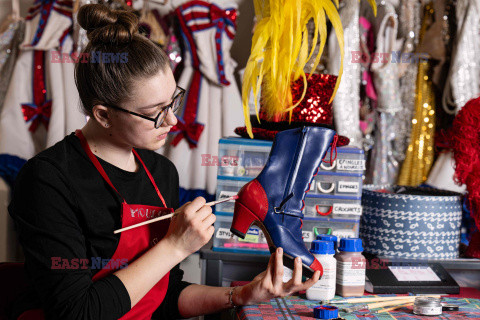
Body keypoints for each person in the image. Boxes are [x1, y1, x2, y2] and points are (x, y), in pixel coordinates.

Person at [7, 4, 321, 320]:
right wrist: (174, 246)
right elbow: (76, 312)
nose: (172, 120)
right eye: (155, 111)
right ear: (104, 115)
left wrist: (242, 295)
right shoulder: (48, 180)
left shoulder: (161, 172)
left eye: (173, 101)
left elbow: (163, 296)